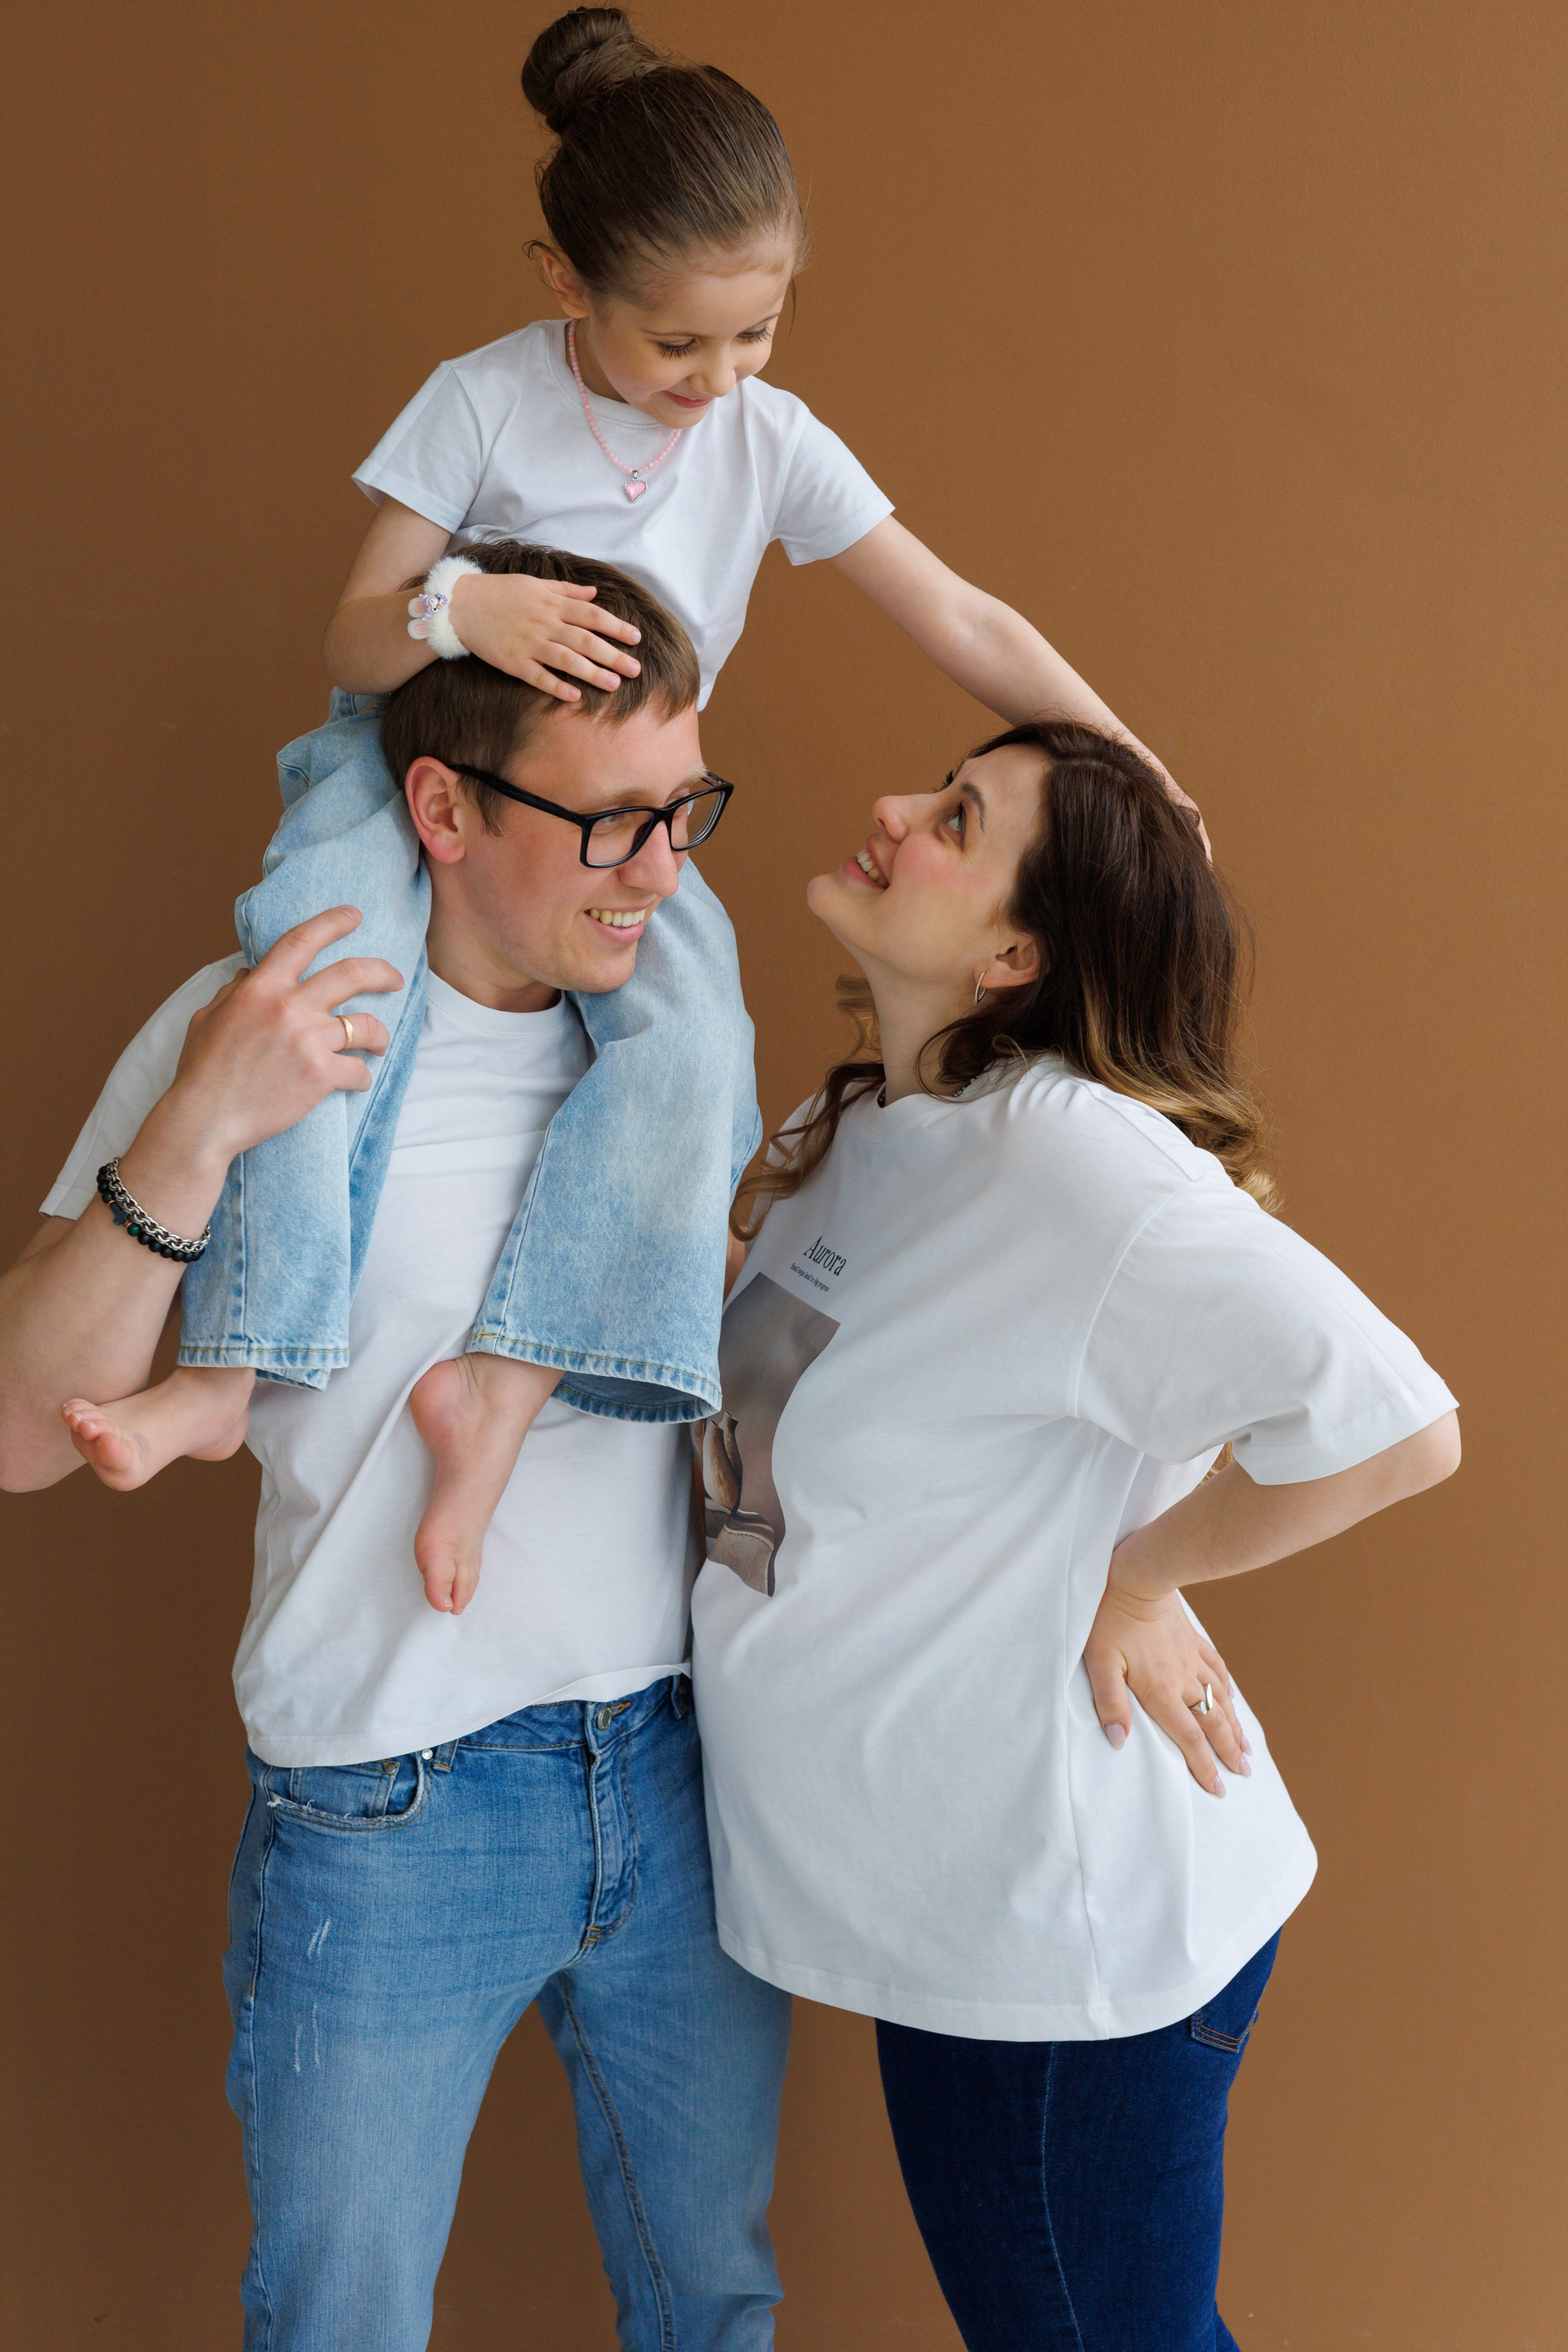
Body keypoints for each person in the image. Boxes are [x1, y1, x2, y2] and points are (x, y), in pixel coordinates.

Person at [62, 6, 1194, 1614]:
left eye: (756, 335)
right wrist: (464, 609)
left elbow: (960, 617)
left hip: (620, 820)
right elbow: (353, 639)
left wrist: (1132, 761)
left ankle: (505, 1386)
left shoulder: (766, 440)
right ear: (565, 284)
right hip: (407, 769)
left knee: (698, 1046)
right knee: (314, 992)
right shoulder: (480, 403)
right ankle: (235, 1365)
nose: (716, 381)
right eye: (677, 346)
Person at [0, 556, 791, 2352]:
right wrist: (203, 1117)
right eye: (610, 824)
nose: (663, 873)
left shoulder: (680, 1058)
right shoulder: (264, 1016)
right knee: (338, 2326)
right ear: (441, 808)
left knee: (719, 2305)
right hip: (389, 1803)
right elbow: (22, 1435)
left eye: (685, 811)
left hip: (683, 1768)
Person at [690, 722, 1460, 2351]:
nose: (892, 810)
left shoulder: (1067, 1159)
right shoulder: (861, 1135)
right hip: (954, 1906)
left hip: (1067, 1943)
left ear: (1015, 955)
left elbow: (1398, 1425)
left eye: (956, 819)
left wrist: (1143, 1571)